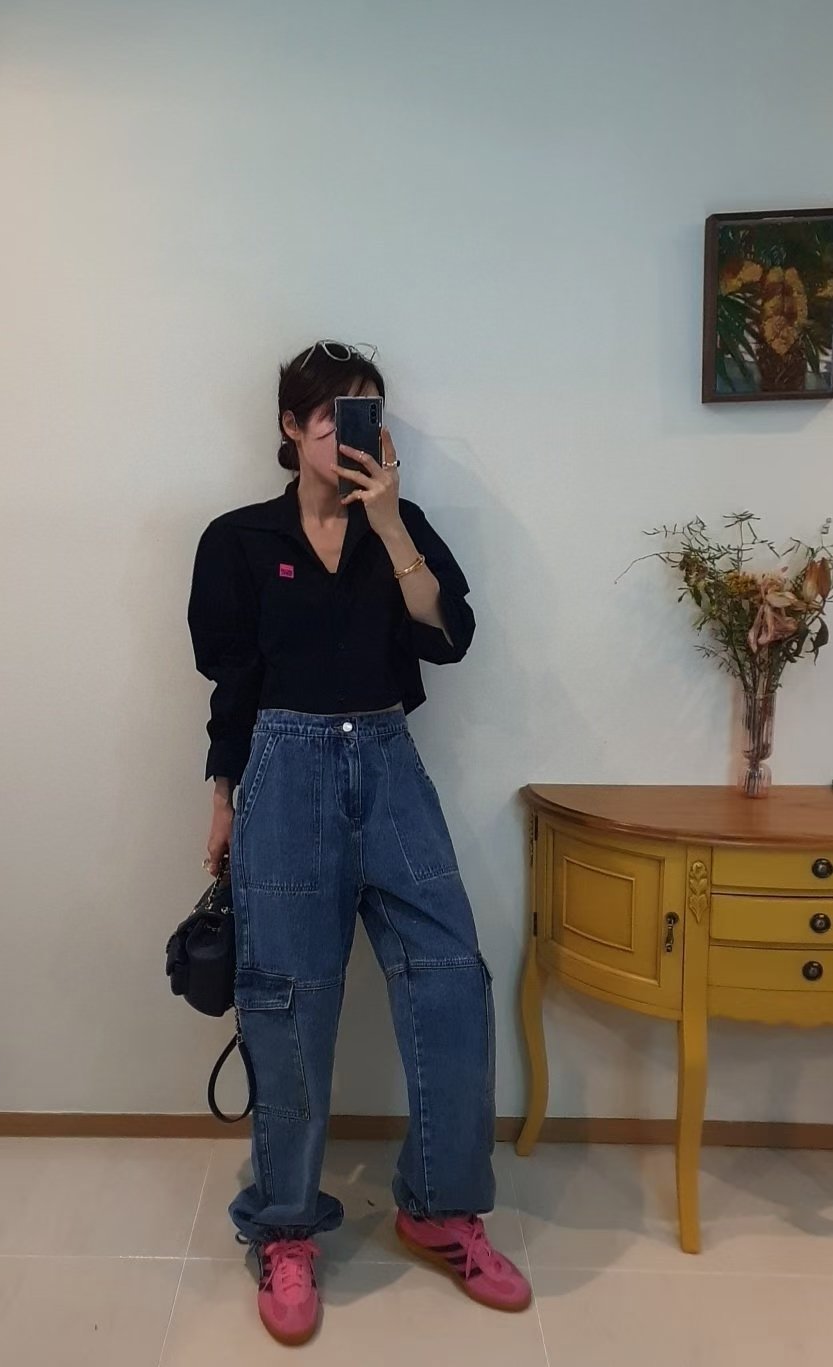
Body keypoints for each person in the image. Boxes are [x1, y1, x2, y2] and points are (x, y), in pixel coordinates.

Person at [187, 340, 530, 1346]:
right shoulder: (236, 539)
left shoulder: (399, 526)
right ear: (291, 427)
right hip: (283, 765)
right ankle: (286, 1226)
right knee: (288, 998)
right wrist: (222, 797)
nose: (350, 432)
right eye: (332, 414)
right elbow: (232, 684)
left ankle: (440, 1205)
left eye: (366, 413)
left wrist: (387, 524)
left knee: (450, 975)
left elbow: (447, 635)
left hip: (386, 758)